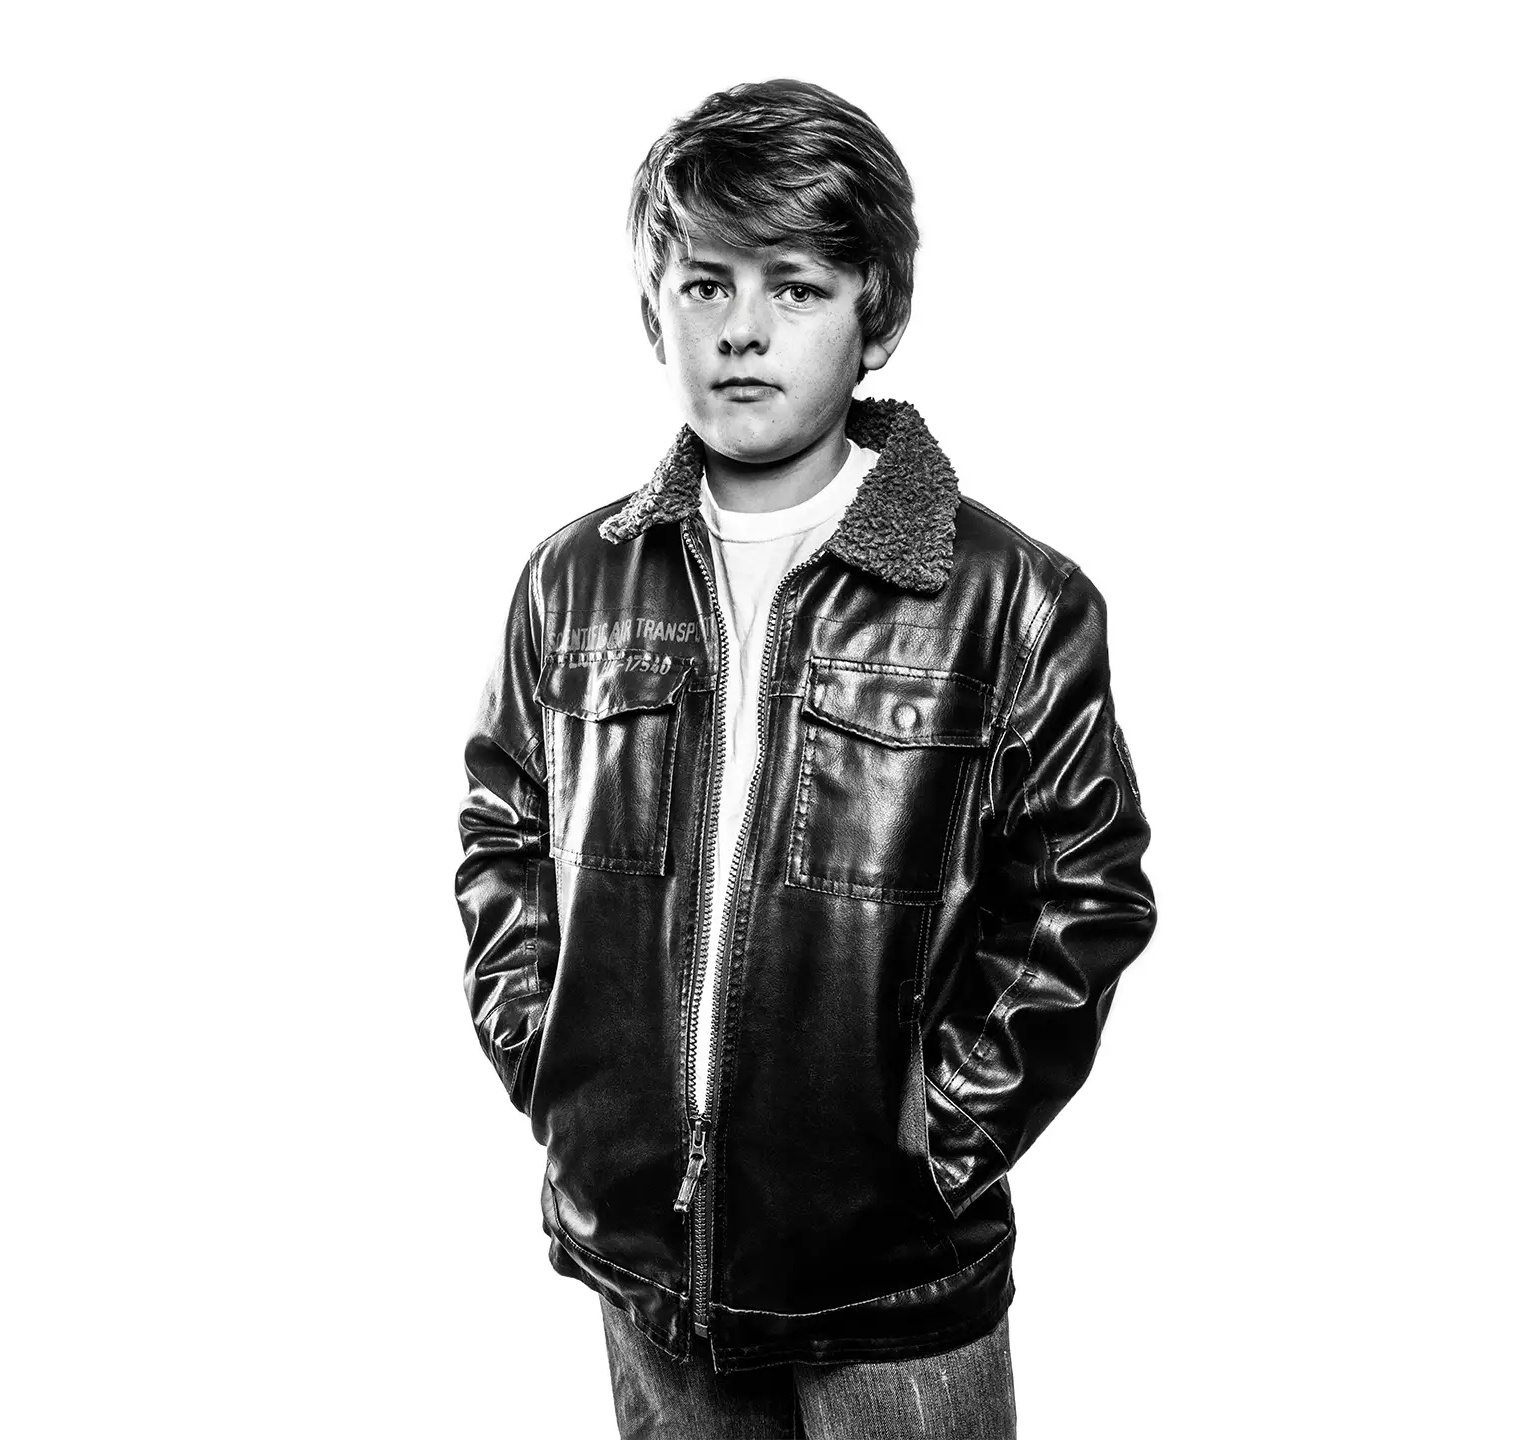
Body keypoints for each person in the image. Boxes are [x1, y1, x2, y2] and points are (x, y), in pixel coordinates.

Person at [455, 78, 1157, 1439]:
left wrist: (939, 1144)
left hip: (893, 1286)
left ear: (875, 314)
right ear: (651, 308)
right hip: (647, 1260)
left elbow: (1086, 892)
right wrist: (559, 1071)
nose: (744, 328)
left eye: (796, 287)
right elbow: (504, 831)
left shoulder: (1009, 598)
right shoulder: (571, 582)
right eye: (705, 285)